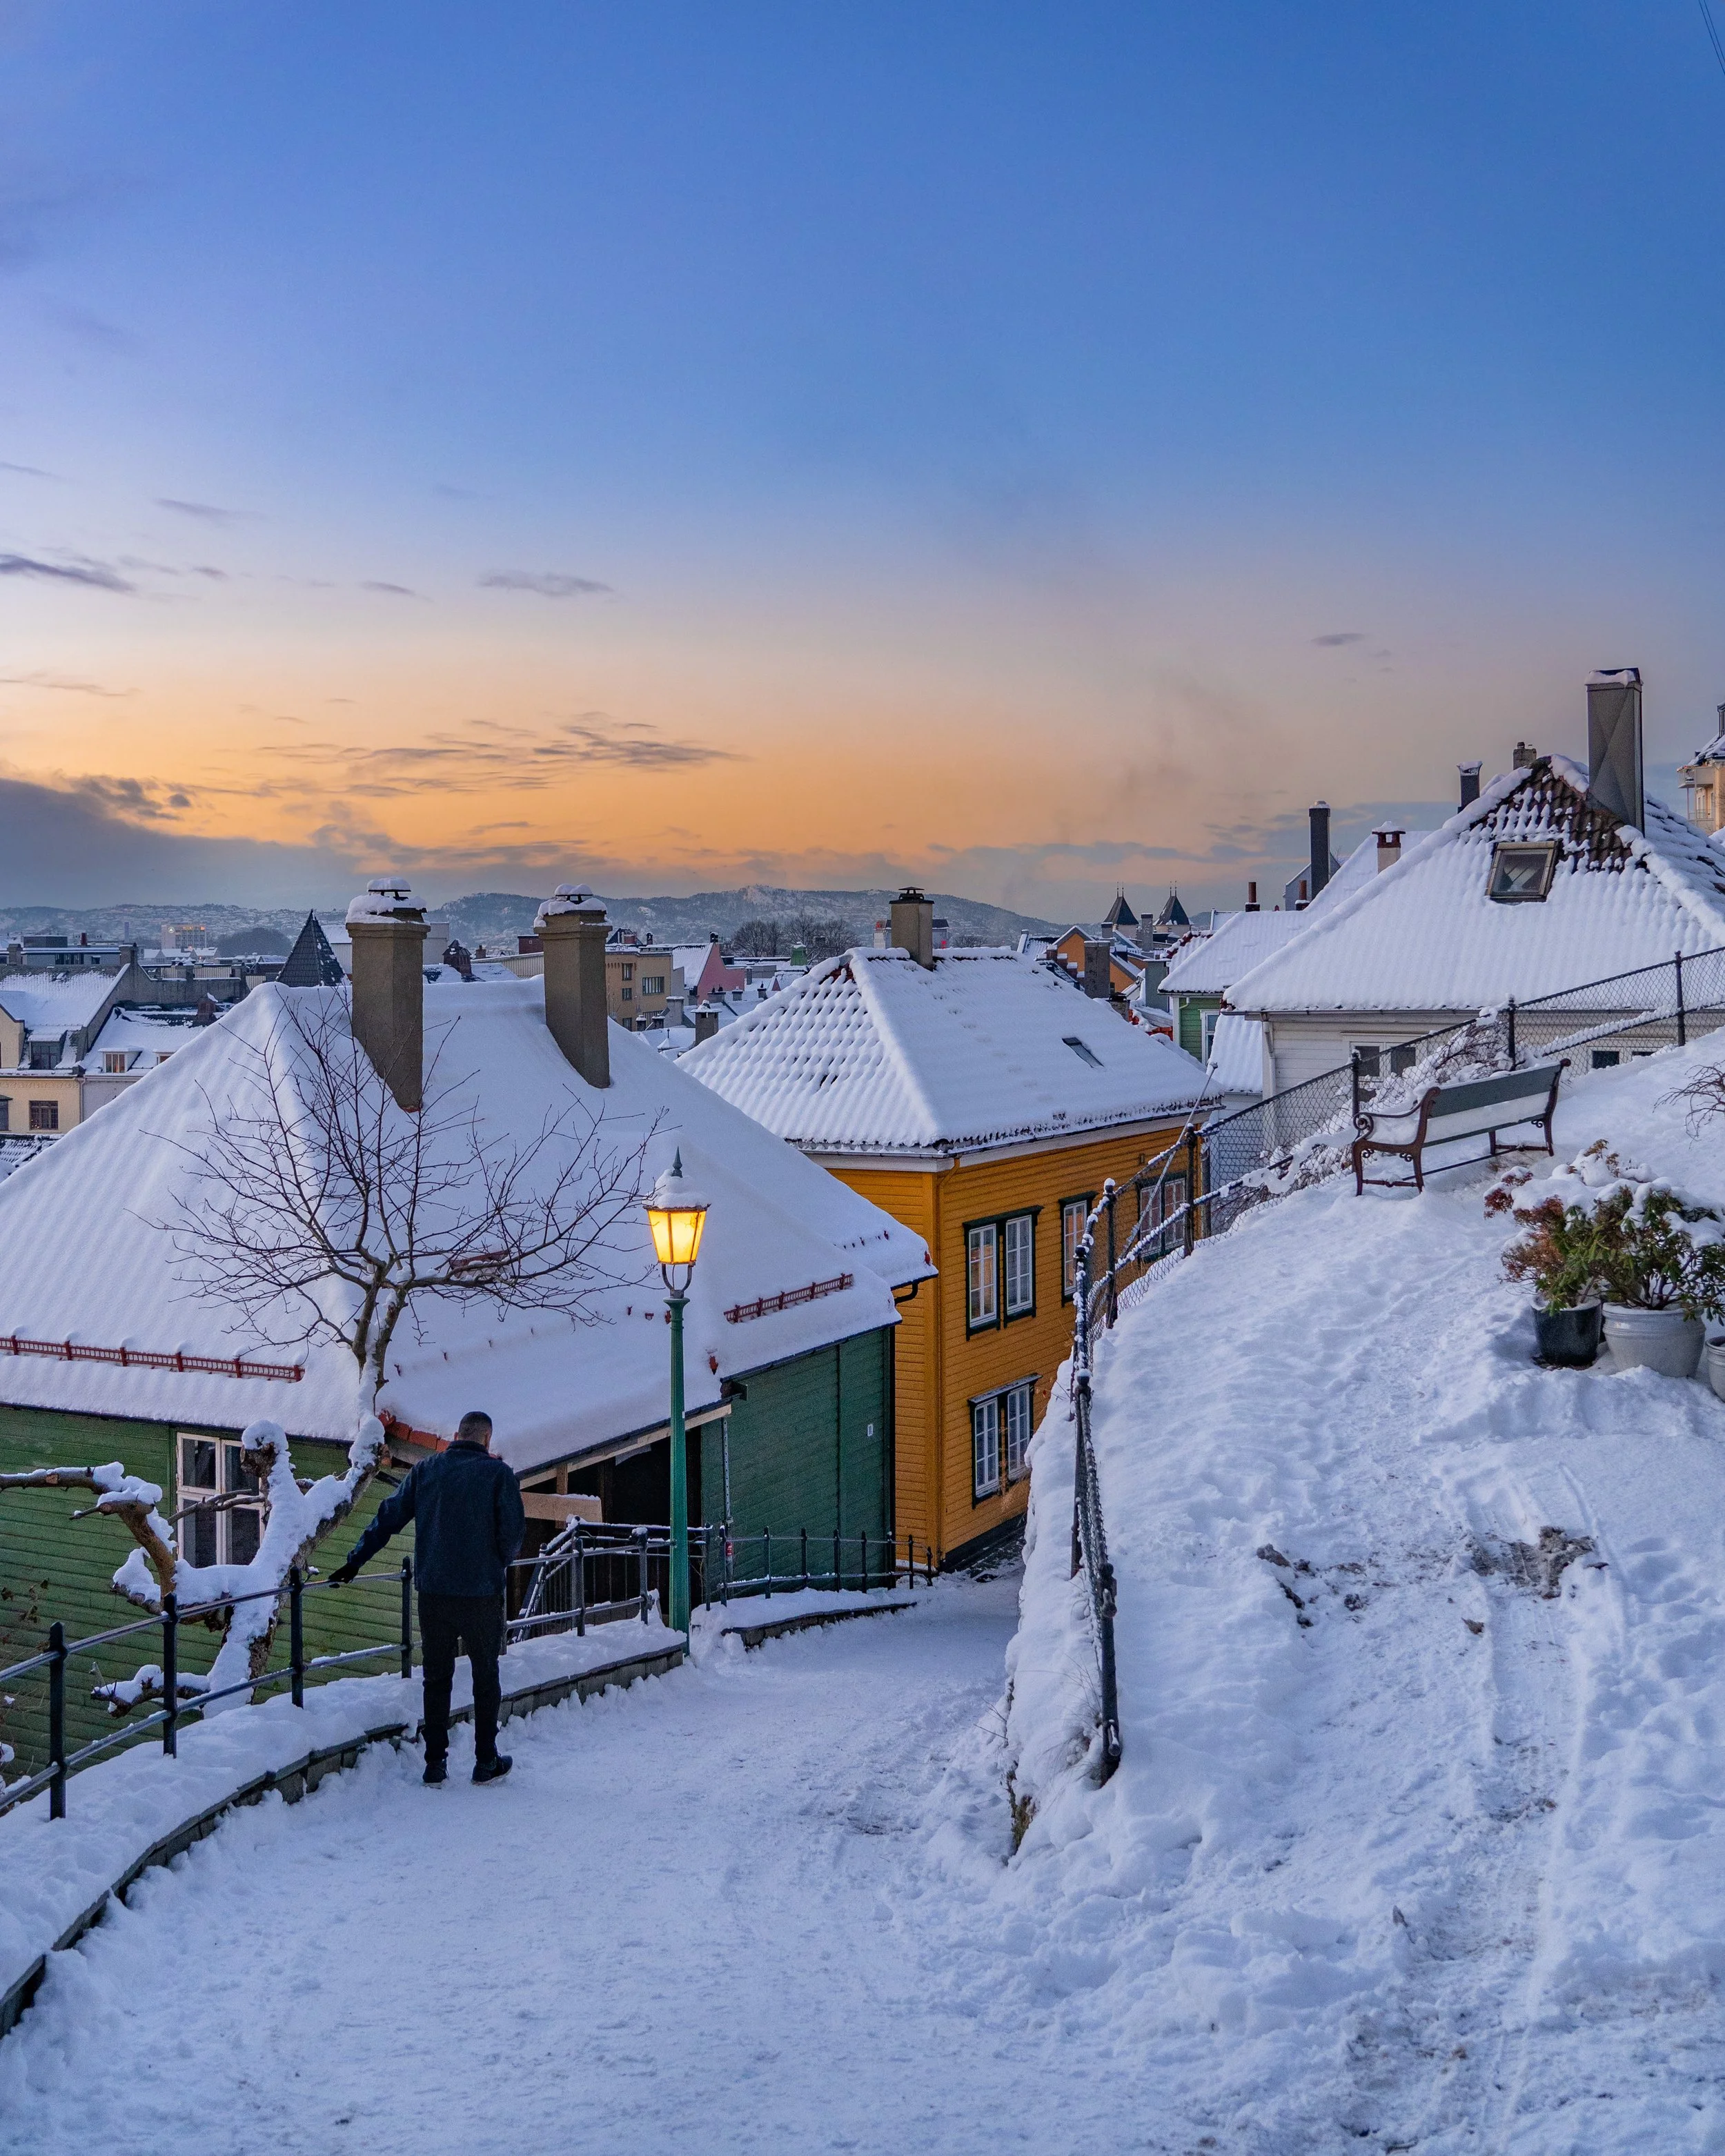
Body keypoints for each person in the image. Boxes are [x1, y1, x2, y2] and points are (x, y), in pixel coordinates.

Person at [331, 1410, 526, 1786]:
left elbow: (388, 1517)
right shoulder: (499, 1475)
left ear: (456, 1435)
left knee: (436, 1677)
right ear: (487, 1440)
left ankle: (435, 1764)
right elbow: (513, 1533)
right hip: (481, 1594)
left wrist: (354, 1562)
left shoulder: (427, 1470)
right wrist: (496, 1562)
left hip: (434, 1592)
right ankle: (486, 1761)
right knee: (486, 1676)